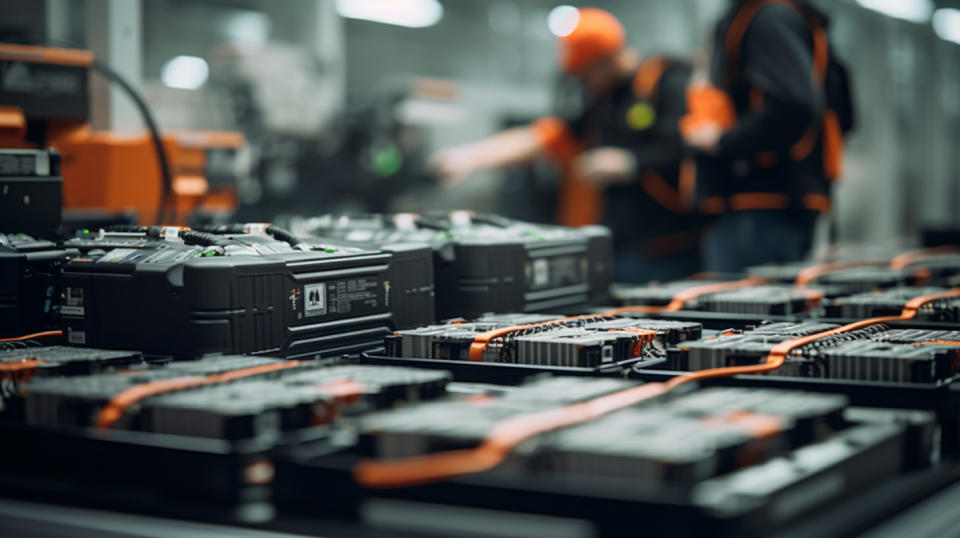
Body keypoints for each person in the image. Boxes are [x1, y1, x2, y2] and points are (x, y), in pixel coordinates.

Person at [431, 8, 700, 283]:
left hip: (676, 250)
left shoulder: (665, 82)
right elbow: (543, 138)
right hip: (623, 248)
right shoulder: (602, 102)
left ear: (606, 59)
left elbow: (692, 148)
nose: (584, 84)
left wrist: (630, 162)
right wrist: (469, 158)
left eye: (585, 75)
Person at [681, 0, 854, 273]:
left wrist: (721, 141)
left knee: (742, 312)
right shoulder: (780, 14)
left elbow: (792, 107)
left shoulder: (768, 18)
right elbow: (842, 115)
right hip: (767, 208)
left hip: (760, 211)